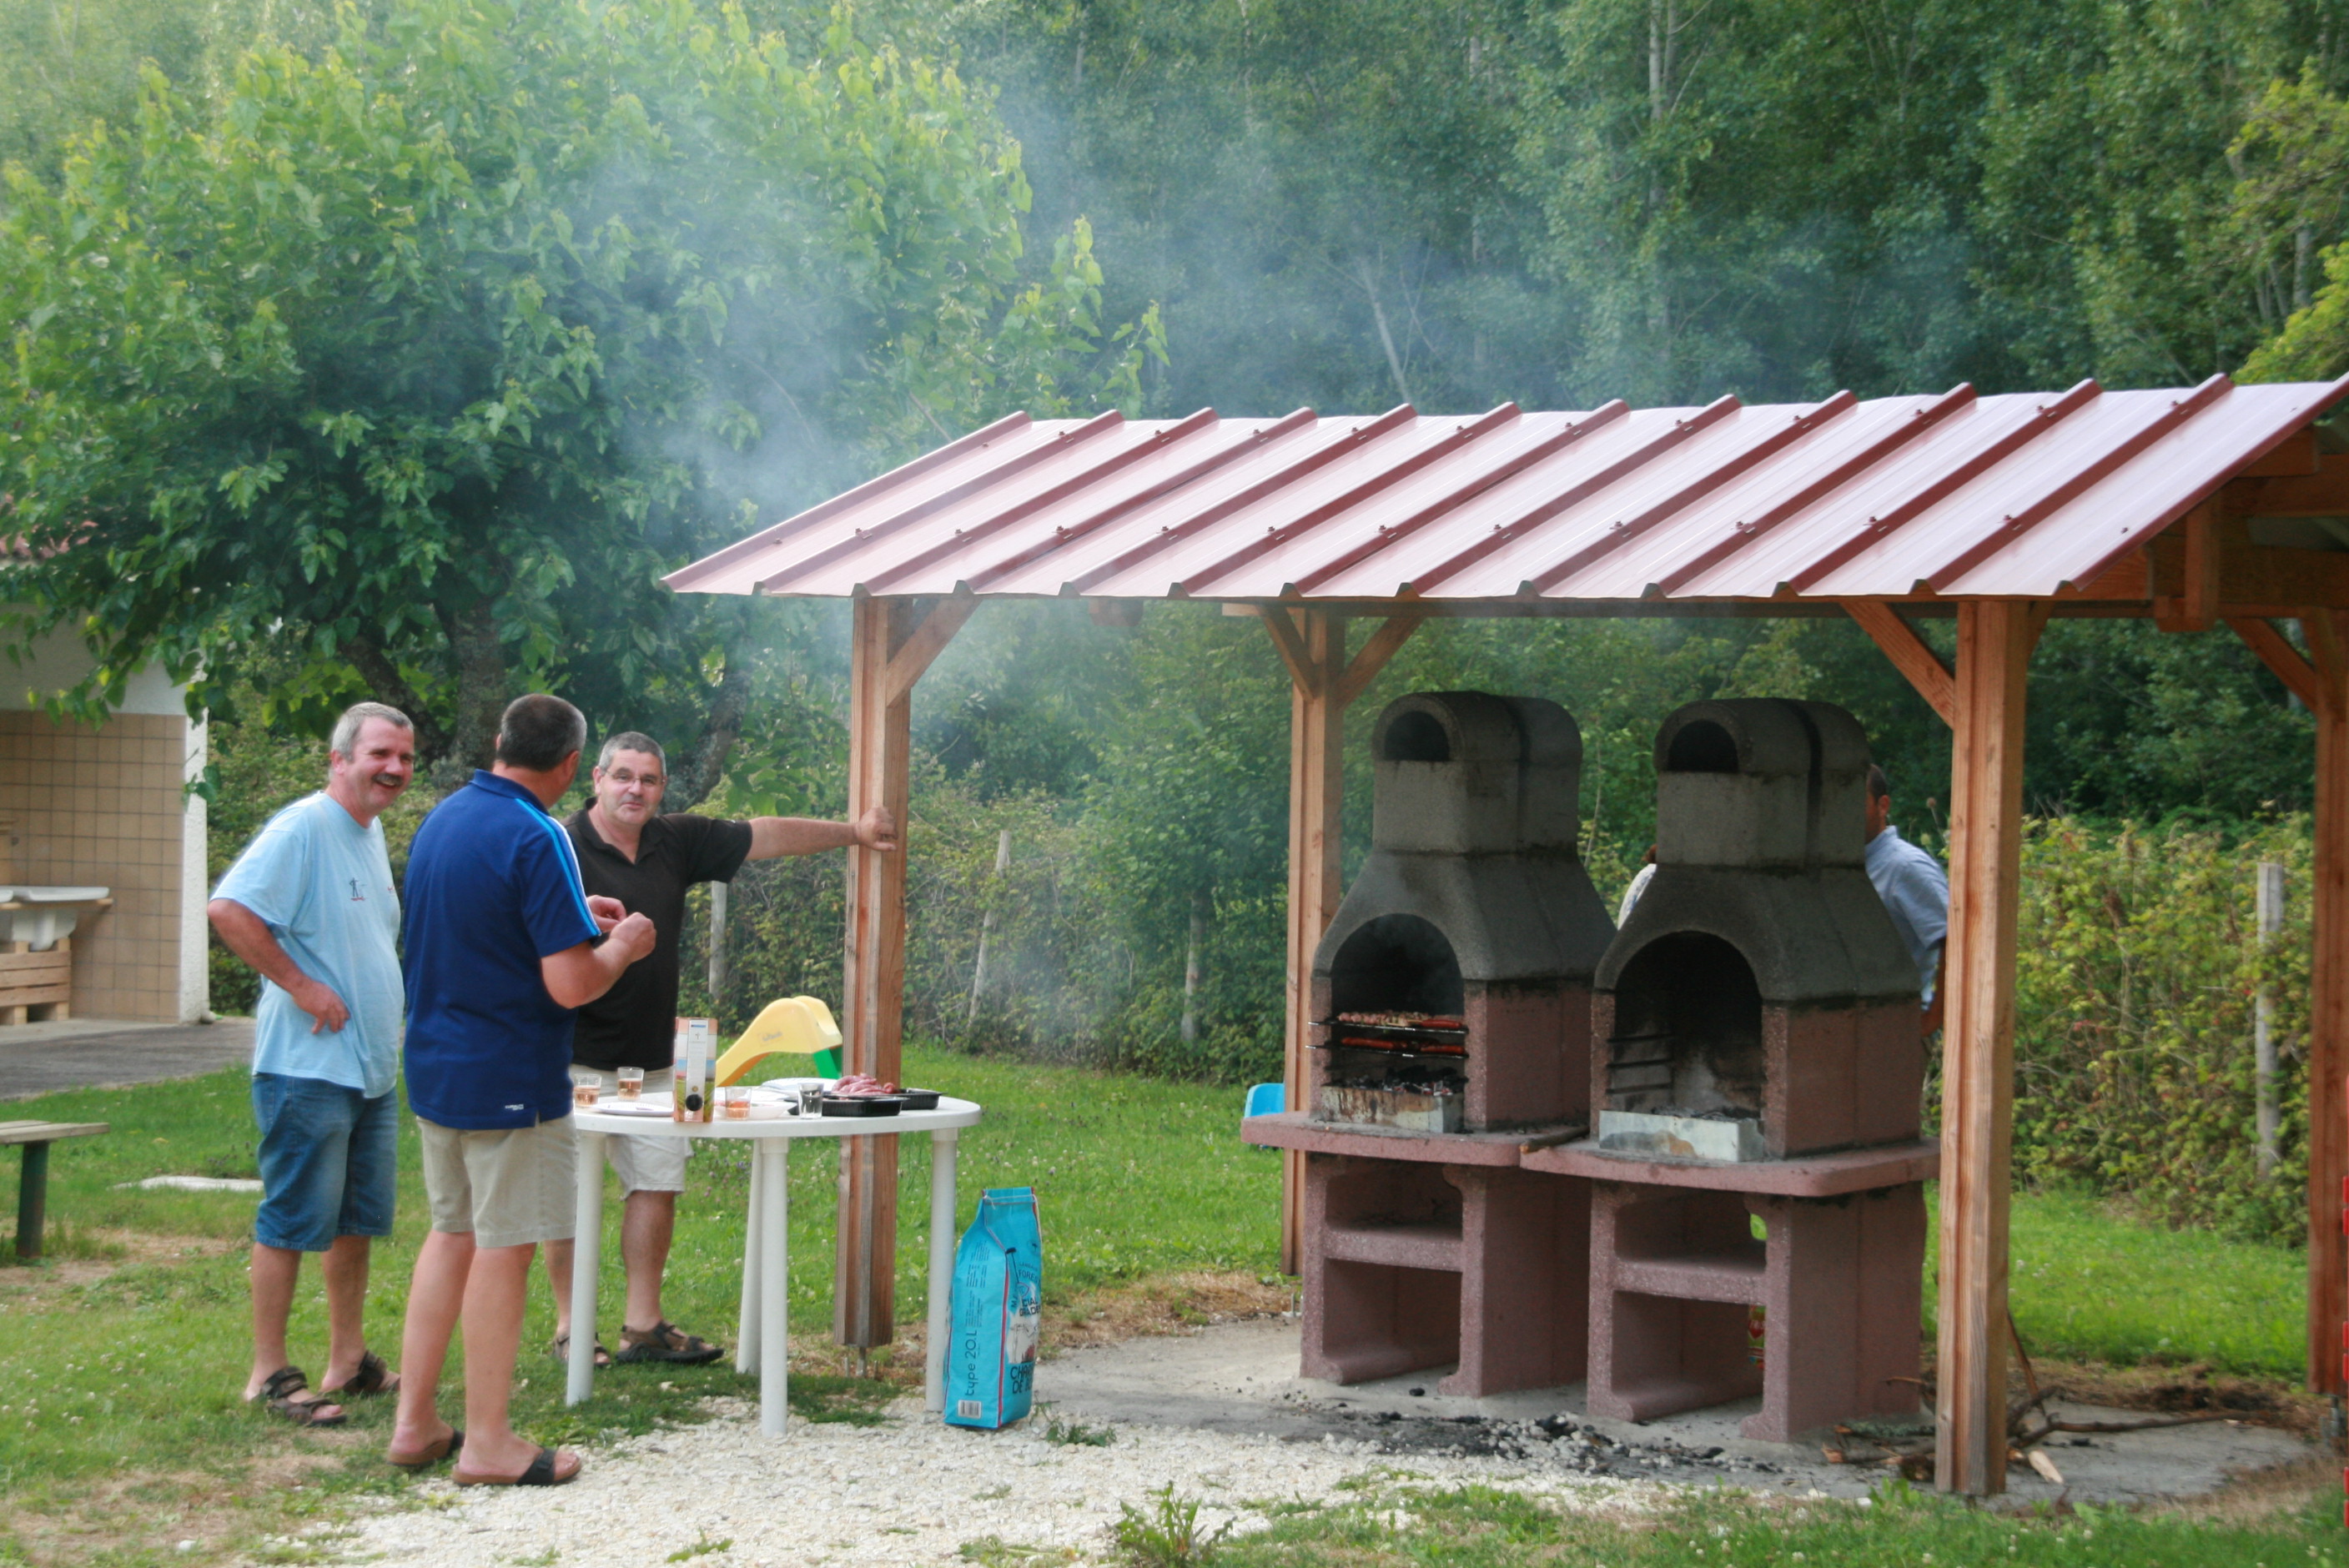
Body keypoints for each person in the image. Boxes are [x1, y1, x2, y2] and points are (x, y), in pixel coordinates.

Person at [541, 731, 896, 1366]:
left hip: (652, 1060)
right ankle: (572, 1326)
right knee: (568, 1194)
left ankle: (642, 1325)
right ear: (595, 778)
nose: (635, 790)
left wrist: (853, 831)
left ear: (661, 788)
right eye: (623, 776)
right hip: (568, 1056)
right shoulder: (558, 846)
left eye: (648, 780)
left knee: (656, 1184)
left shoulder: (674, 839)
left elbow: (764, 835)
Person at [386, 695, 656, 1485]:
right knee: (503, 1250)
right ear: (574, 768)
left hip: (437, 1066)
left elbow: (486, 923)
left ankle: (414, 1425)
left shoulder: (444, 819)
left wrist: (580, 915)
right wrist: (625, 946)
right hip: (511, 1077)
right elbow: (571, 984)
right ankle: (488, 1443)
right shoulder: (538, 834)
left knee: (452, 1235)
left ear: (498, 741)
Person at [210, 701, 416, 1428]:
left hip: (368, 1068)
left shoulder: (367, 830)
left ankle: (349, 1361)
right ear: (339, 760)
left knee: (355, 1220)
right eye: (379, 755)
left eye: (404, 758)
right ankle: (268, 1370)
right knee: (294, 1215)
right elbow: (230, 908)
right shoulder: (302, 827)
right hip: (307, 1067)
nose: (393, 769)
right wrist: (299, 984)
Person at [1864, 764, 1950, 1034]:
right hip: (1848, 1031)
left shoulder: (1905, 866)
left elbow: (1957, 943)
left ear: (1883, 805)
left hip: (1896, 1032)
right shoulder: (1839, 868)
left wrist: (1931, 1020)